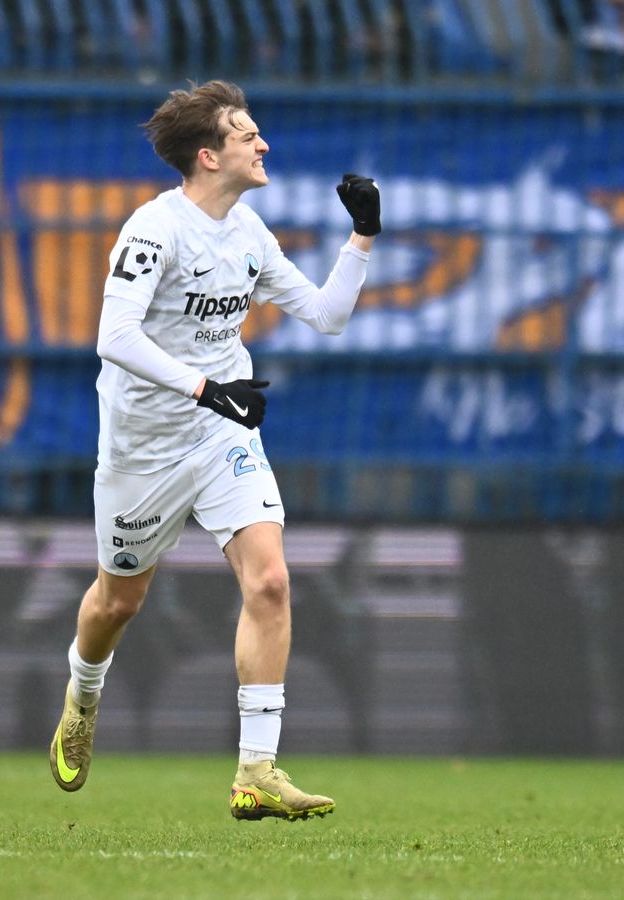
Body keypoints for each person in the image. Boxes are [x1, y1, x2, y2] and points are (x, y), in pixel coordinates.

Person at [48, 80, 380, 821]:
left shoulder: (249, 232)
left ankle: (256, 770)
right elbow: (114, 338)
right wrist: (205, 388)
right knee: (117, 602)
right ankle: (83, 697)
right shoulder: (153, 230)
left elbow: (325, 315)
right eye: (246, 133)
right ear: (208, 155)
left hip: (220, 431)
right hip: (144, 447)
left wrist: (362, 237)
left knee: (270, 582)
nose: (263, 143)